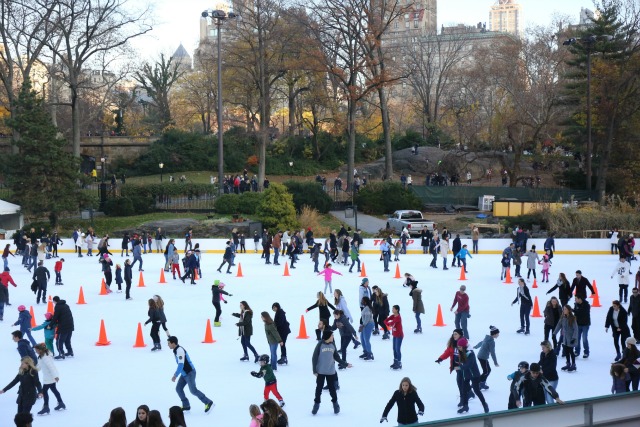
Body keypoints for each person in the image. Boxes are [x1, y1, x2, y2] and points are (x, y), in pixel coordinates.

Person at [167, 336, 214, 413]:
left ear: (173, 343)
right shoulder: (175, 350)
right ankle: (186, 405)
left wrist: (175, 375)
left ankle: (208, 402)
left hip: (190, 373)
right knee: (178, 389)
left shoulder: (179, 351)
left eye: (169, 343)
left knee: (193, 390)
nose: (168, 345)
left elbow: (180, 365)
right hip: (184, 374)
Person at [311, 329, 351, 415]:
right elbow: (314, 358)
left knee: (332, 389)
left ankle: (335, 404)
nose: (333, 337)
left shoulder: (333, 345)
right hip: (320, 371)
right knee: (319, 389)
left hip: (331, 371)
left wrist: (345, 364)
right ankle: (316, 404)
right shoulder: (320, 344)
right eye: (332, 335)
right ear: (328, 336)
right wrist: (314, 370)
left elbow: (336, 357)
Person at [456, 337, 489, 414]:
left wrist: (459, 367)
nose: (459, 348)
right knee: (464, 390)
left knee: (476, 390)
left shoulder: (471, 354)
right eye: (458, 347)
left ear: (464, 346)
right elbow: (461, 362)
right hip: (466, 375)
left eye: (460, 347)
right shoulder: (461, 352)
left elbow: (469, 365)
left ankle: (484, 404)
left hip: (474, 375)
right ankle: (465, 406)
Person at [33, 343, 65, 415]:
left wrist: (55, 376)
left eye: (36, 350)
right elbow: (39, 366)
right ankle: (61, 403)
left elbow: (51, 367)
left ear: (40, 350)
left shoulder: (45, 357)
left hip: (49, 377)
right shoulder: (42, 356)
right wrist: (34, 368)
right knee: (54, 389)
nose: (35, 351)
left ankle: (46, 407)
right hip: (49, 376)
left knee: (44, 391)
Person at [554, 305, 578, 372]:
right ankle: (568, 363)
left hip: (570, 338)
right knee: (566, 351)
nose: (564, 310)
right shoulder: (562, 317)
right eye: (563, 309)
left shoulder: (572, 318)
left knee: (571, 351)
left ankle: (573, 364)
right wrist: (554, 333)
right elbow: (559, 325)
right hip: (565, 338)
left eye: (565, 309)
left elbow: (575, 329)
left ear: (568, 310)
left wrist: (574, 338)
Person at [385, 305, 404, 370]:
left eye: (393, 309)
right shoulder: (393, 316)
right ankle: (395, 361)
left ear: (397, 310)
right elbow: (386, 320)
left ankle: (399, 363)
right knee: (394, 349)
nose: (392, 310)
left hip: (399, 335)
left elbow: (391, 323)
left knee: (397, 349)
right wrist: (387, 322)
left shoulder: (398, 317)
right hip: (395, 335)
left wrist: (387, 323)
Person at [359, 296, 375, 360]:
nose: (361, 301)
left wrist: (363, 325)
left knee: (366, 339)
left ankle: (369, 354)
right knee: (362, 338)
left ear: (365, 301)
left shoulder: (367, 308)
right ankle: (365, 351)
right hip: (365, 324)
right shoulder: (365, 307)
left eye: (362, 300)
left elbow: (367, 318)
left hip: (368, 324)